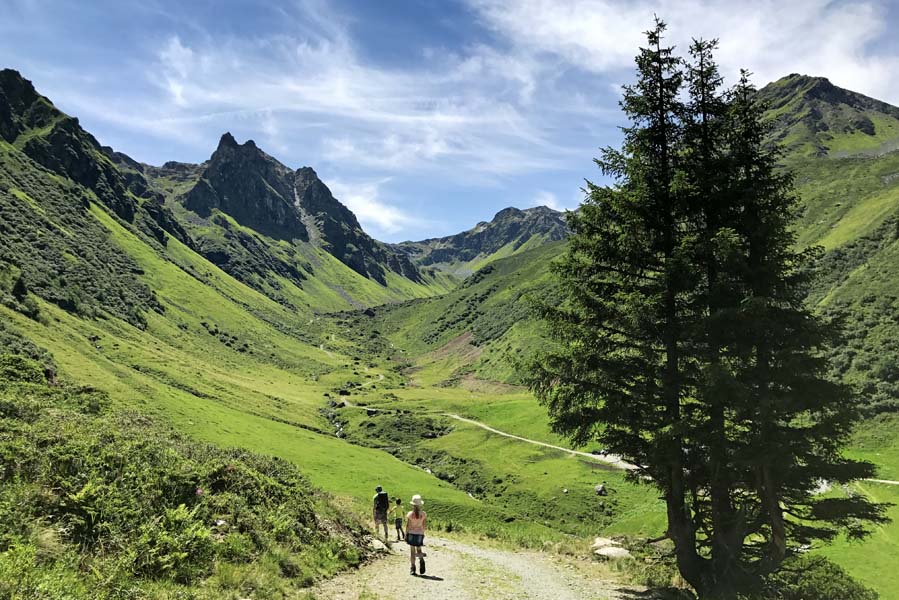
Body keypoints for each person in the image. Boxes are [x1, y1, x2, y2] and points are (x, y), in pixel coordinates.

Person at [405, 494, 427, 575]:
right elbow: (424, 526)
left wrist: (405, 534)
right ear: (420, 504)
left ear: (413, 505)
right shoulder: (424, 514)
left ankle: (413, 568)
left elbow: (408, 525)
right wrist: (422, 533)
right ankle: (421, 561)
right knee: (419, 549)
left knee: (412, 551)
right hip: (420, 534)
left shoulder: (410, 514)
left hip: (411, 533)